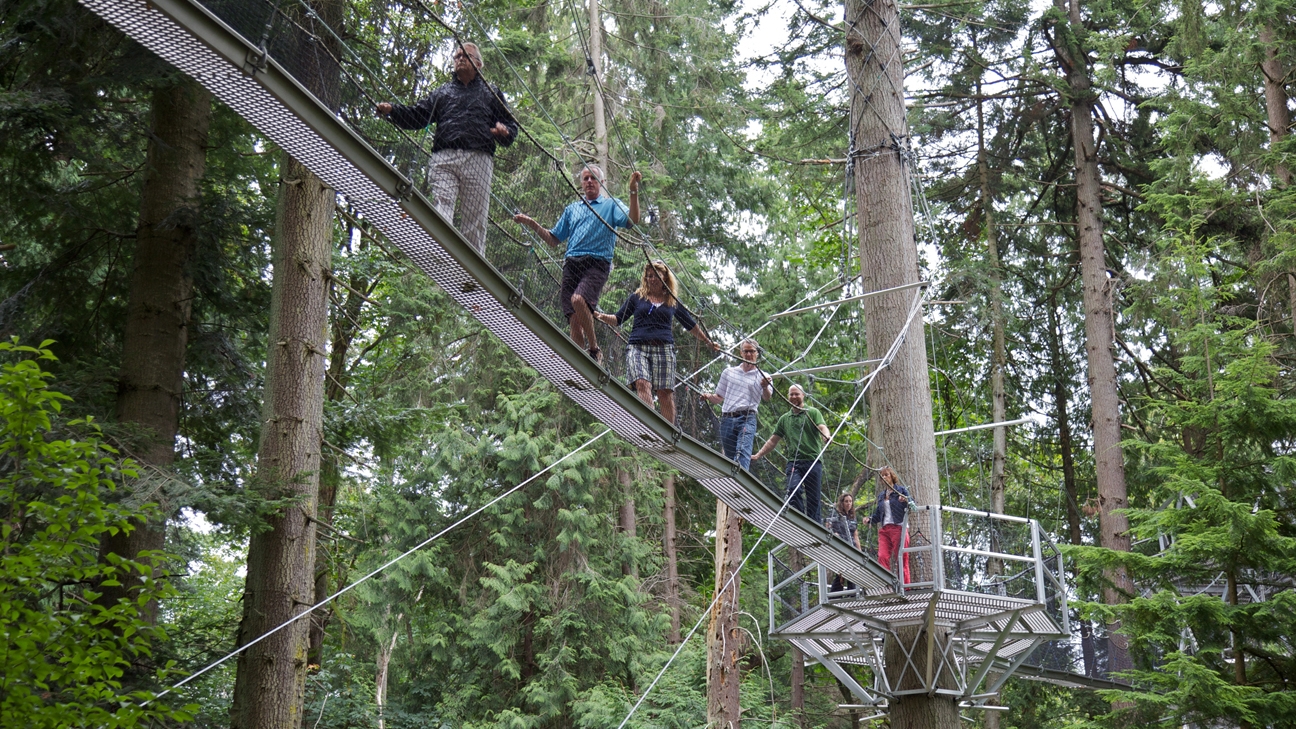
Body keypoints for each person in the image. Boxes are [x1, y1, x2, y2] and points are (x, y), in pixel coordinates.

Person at [376, 41, 517, 254]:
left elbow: (511, 127)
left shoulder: (491, 93)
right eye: (457, 56)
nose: (460, 58)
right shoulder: (443, 92)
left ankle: (473, 269)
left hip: (478, 159)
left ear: (478, 64)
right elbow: (418, 115)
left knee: (475, 218)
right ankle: (438, 251)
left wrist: (504, 132)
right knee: (443, 202)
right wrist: (393, 111)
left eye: (465, 55)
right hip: (444, 157)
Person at [514, 165, 641, 363]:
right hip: (572, 263)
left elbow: (632, 219)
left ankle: (594, 348)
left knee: (578, 300)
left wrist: (633, 191)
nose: (589, 181)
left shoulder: (611, 205)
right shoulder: (572, 209)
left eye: (593, 178)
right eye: (585, 178)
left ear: (602, 183)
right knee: (573, 319)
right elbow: (553, 239)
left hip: (597, 263)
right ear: (581, 183)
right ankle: (577, 362)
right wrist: (532, 223)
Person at [596, 261, 717, 423]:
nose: (651, 279)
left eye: (656, 275)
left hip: (664, 348)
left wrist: (707, 341)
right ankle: (651, 424)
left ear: (665, 277)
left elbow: (690, 324)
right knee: (641, 382)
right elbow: (618, 319)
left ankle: (668, 432)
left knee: (664, 393)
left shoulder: (672, 301)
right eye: (649, 276)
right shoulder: (637, 298)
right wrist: (603, 317)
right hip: (637, 347)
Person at [751, 384, 830, 522]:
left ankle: (814, 526)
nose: (793, 397)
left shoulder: (812, 412)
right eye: (791, 394)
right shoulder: (785, 419)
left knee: (813, 498)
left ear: (803, 395)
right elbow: (772, 441)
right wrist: (758, 455)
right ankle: (799, 519)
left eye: (796, 394)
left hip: (813, 461)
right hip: (794, 462)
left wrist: (826, 436)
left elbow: (822, 426)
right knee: (793, 489)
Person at [701, 338, 771, 469]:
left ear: (757, 353)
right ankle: (730, 484)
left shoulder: (764, 376)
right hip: (727, 418)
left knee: (742, 452)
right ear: (741, 353)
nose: (749, 355)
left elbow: (767, 397)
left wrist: (765, 386)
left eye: (752, 351)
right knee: (729, 456)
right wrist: (708, 396)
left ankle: (741, 482)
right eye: (746, 351)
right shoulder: (729, 372)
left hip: (747, 418)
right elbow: (719, 397)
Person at [863, 466, 911, 583]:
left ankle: (905, 587)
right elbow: (879, 515)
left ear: (892, 476)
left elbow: (912, 503)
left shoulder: (901, 490)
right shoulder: (881, 495)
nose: (884, 477)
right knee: (882, 556)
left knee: (900, 558)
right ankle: (886, 585)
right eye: (882, 476)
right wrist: (869, 520)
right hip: (885, 530)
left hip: (899, 527)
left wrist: (905, 500)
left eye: (886, 475)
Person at [825, 491, 862, 593]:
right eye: (846, 501)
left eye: (850, 501)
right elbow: (828, 527)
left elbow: (855, 535)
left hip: (852, 547)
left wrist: (859, 551)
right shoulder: (835, 514)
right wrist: (834, 534)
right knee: (842, 572)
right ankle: (839, 594)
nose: (848, 503)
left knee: (850, 571)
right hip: (840, 546)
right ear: (842, 502)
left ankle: (850, 593)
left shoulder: (852, 517)